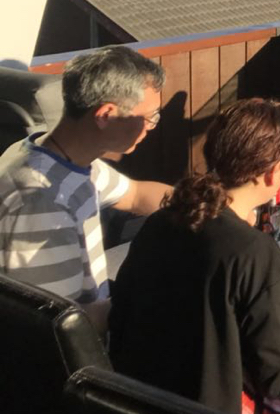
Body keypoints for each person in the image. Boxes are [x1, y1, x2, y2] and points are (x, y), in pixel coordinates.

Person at [109, 98, 280, 414]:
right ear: (273, 174)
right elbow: (278, 380)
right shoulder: (252, 251)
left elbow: (120, 315)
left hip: (139, 407)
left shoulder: (163, 221)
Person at [0, 45, 171, 330]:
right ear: (105, 115)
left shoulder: (66, 158)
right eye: (149, 117)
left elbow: (136, 194)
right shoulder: (42, 199)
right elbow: (62, 323)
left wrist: (215, 208)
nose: (150, 128)